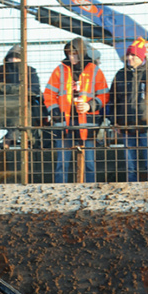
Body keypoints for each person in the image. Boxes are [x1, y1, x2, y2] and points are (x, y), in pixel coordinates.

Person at [43, 37, 109, 184]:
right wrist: (55, 111)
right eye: (68, 54)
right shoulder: (60, 70)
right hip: (64, 124)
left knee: (89, 164)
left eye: (74, 53)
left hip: (87, 124)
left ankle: (90, 192)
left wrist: (89, 106)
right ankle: (61, 192)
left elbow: (104, 94)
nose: (71, 57)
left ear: (81, 52)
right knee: (62, 164)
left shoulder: (94, 70)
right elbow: (48, 94)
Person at [109, 41, 148, 182]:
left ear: (141, 57)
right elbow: (112, 100)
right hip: (126, 127)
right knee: (130, 167)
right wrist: (114, 122)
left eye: (133, 55)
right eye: (128, 55)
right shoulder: (120, 75)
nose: (129, 58)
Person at [0, 44, 43, 148]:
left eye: (16, 57)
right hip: (0, 104)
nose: (13, 60)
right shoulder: (1, 70)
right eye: (11, 57)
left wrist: (5, 88)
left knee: (21, 110)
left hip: (21, 104)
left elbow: (34, 90)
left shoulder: (29, 71)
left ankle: (10, 138)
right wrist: (16, 88)